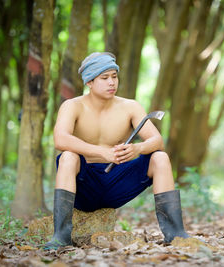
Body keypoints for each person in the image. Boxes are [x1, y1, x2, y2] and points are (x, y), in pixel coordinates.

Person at [44, 52, 189, 250]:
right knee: (67, 156)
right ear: (89, 82)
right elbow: (60, 139)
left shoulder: (130, 106)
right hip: (84, 187)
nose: (111, 82)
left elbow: (157, 141)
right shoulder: (72, 106)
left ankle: (175, 233)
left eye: (114, 76)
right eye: (104, 78)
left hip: (118, 182)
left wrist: (138, 148)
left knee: (160, 158)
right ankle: (61, 236)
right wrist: (101, 152)